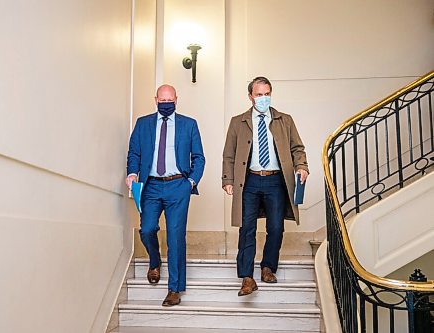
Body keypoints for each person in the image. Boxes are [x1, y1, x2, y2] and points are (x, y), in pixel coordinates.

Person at [222, 76, 309, 296]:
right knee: (247, 229)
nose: (263, 98)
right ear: (250, 96)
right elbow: (229, 154)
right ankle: (247, 277)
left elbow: (297, 148)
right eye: (259, 95)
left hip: (275, 180)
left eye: (267, 94)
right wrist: (228, 180)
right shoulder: (238, 121)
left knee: (276, 227)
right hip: (249, 180)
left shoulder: (284, 120)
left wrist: (302, 167)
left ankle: (268, 267)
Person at [126, 84, 205, 306]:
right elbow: (134, 152)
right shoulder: (143, 124)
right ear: (156, 100)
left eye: (170, 100)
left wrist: (190, 183)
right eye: (162, 101)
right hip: (150, 185)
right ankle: (154, 260)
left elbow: (199, 157)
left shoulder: (189, 124)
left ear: (176, 100)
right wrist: (132, 173)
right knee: (147, 228)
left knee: (175, 237)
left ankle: (174, 289)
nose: (166, 104)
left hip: (178, 185)